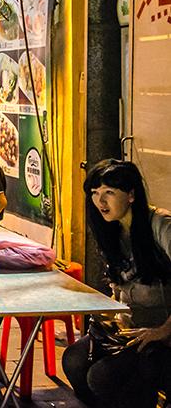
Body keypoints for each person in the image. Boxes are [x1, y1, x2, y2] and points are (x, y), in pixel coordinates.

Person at [63, 159, 171, 408]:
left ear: (131, 194)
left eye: (109, 193)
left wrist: (164, 330)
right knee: (74, 360)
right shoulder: (112, 230)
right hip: (132, 332)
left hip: (162, 337)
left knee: (102, 376)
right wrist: (109, 315)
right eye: (95, 193)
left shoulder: (161, 226)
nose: (101, 202)